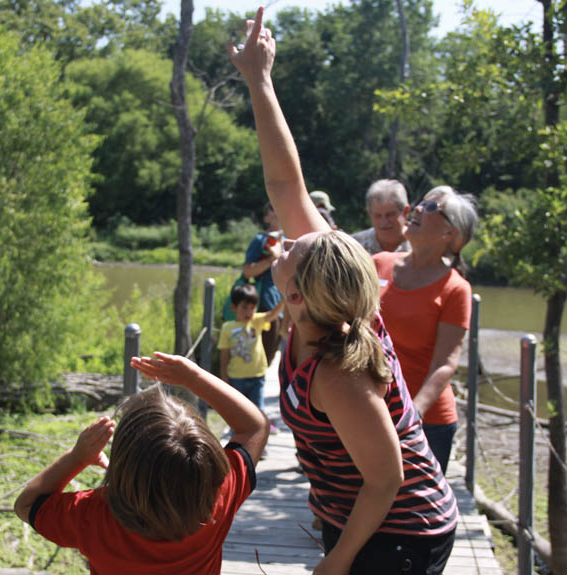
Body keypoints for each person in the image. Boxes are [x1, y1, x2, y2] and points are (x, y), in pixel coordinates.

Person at [229, 10, 458, 574]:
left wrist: (340, 559)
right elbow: (286, 184)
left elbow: (386, 479)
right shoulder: (338, 308)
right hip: (360, 517)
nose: (281, 248)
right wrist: (259, 79)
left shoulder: (341, 373)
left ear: (298, 298)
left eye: (290, 253)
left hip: (399, 533)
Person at [14, 354, 269, 575]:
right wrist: (193, 377)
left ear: (123, 464)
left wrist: (77, 458)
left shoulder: (93, 516)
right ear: (208, 464)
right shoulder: (216, 499)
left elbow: (26, 504)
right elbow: (255, 426)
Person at [373, 185, 478, 473]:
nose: (418, 209)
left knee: (416, 516)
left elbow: (445, 364)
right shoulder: (378, 264)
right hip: (370, 410)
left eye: (432, 208)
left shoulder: (456, 289)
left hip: (426, 422)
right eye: (421, 203)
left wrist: (411, 416)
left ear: (450, 234)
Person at [219, 282, 284, 414]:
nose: (249, 312)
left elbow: (272, 315)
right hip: (236, 377)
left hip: (257, 375)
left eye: (252, 308)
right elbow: (224, 354)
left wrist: (284, 300)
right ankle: (236, 430)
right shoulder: (227, 327)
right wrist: (223, 376)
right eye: (244, 307)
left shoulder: (257, 321)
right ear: (233, 307)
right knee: (237, 410)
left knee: (258, 410)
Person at [242, 202, 284, 365]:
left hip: (283, 305)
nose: (278, 210)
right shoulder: (260, 240)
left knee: (273, 352)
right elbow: (247, 271)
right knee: (262, 354)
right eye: (272, 209)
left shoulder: (288, 239)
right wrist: (271, 260)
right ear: (266, 218)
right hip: (264, 303)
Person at [352, 179, 411, 254]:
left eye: (390, 214)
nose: (384, 222)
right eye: (378, 216)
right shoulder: (354, 247)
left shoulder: (422, 246)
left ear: (405, 212)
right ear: (369, 214)